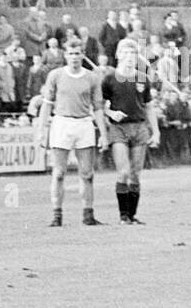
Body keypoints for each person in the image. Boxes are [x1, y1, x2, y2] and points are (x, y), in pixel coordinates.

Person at [35, 35, 109, 227]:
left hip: (84, 123)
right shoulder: (56, 76)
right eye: (71, 53)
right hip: (62, 124)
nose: (74, 57)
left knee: (87, 173)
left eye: (77, 53)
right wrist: (42, 130)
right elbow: (46, 105)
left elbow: (98, 108)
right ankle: (57, 215)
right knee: (58, 173)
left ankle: (88, 215)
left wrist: (104, 134)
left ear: (83, 55)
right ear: (65, 56)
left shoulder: (92, 77)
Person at [100, 38, 161, 223]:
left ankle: (132, 216)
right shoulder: (109, 79)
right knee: (124, 171)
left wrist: (155, 131)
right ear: (118, 55)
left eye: (133, 54)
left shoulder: (142, 78)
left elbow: (149, 107)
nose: (129, 57)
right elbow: (101, 106)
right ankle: (123, 216)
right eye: (126, 53)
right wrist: (111, 112)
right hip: (119, 129)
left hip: (140, 127)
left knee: (135, 173)